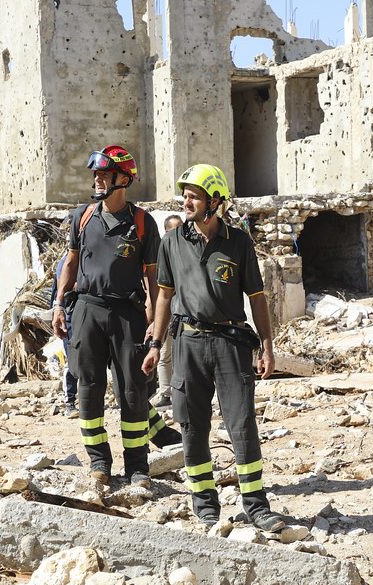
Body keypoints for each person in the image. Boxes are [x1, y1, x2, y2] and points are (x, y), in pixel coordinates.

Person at [142, 164, 284, 532]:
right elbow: (164, 297)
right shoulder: (171, 242)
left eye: (194, 196)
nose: (186, 202)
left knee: (241, 424)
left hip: (230, 343)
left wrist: (267, 346)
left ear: (214, 202)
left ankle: (255, 505)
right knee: (192, 425)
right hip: (187, 342)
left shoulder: (238, 242)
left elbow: (257, 298)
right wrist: (156, 344)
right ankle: (205, 503)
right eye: (185, 196)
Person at [52, 145, 159, 487]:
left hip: (128, 314)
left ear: (123, 179)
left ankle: (137, 467)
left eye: (103, 174)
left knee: (132, 390)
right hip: (87, 310)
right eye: (95, 174)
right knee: (89, 388)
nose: (97, 180)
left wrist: (156, 318)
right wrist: (58, 304)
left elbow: (153, 278)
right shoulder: (82, 217)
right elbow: (70, 263)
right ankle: (99, 462)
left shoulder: (142, 222)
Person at [152, 214, 183, 409]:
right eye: (174, 230)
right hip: (168, 309)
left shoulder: (188, 248)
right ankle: (165, 392)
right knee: (164, 351)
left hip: (185, 308)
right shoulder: (162, 251)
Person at [50, 246, 79, 418]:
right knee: (72, 360)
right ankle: (70, 402)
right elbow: (66, 285)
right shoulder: (66, 262)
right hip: (69, 316)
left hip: (82, 315)